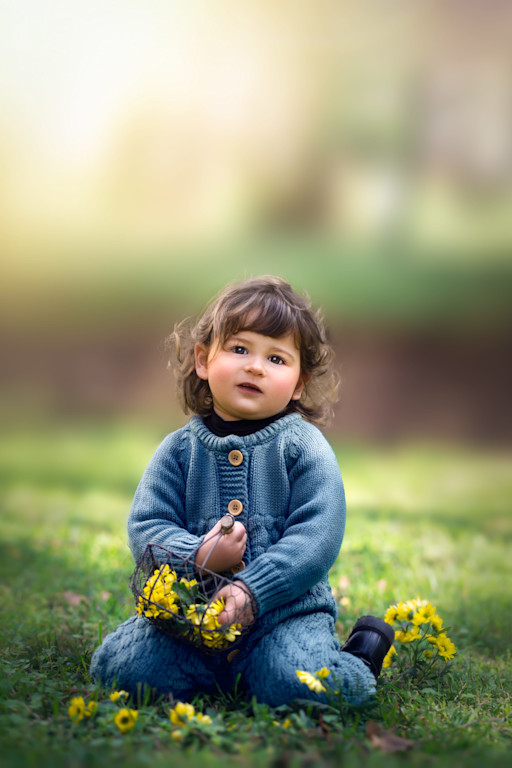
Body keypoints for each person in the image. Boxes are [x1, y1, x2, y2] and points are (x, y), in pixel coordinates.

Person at [90, 275, 393, 706]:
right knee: (123, 674)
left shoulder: (303, 448)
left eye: (276, 358)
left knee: (296, 687)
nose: (255, 366)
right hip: (190, 618)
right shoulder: (179, 451)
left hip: (283, 616)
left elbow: (317, 535)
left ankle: (361, 655)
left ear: (300, 383)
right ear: (202, 360)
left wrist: (252, 589)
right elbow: (146, 524)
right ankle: (216, 672)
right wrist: (198, 556)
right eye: (239, 349)